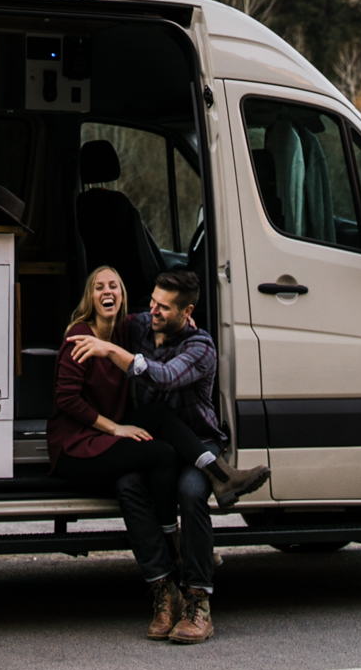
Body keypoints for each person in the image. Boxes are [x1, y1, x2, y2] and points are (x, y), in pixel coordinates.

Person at [69, 268, 270, 644]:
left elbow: (162, 376)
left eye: (163, 307)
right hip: (154, 441)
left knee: (192, 493)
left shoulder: (201, 347)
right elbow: (113, 314)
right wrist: (87, 326)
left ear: (186, 311)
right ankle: (165, 591)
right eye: (153, 302)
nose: (153, 311)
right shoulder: (143, 326)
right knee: (128, 485)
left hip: (197, 441)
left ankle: (199, 601)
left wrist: (111, 349)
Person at [47, 265, 190, 641]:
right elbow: (66, 399)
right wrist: (116, 428)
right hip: (75, 446)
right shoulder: (79, 337)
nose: (107, 291)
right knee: (160, 455)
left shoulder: (128, 330)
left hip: (107, 443)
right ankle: (174, 546)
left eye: (114, 285)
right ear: (90, 297)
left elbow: (167, 313)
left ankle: (165, 590)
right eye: (99, 287)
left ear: (123, 295)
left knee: (130, 484)